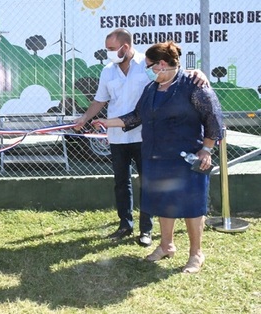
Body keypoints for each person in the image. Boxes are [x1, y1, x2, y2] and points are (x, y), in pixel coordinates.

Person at [93, 41, 223, 274]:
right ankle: (166, 245)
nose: (148, 70)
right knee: (163, 202)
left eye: (150, 66)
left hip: (186, 159)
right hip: (155, 157)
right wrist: (106, 122)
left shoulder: (194, 85)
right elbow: (135, 116)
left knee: (192, 206)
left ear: (162, 65)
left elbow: (213, 119)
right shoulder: (152, 89)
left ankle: (196, 254)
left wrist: (207, 149)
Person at [74, 28, 208, 247]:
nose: (108, 53)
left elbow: (171, 73)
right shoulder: (107, 71)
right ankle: (125, 225)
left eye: (111, 49)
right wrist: (85, 118)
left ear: (125, 47)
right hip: (117, 135)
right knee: (121, 183)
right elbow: (99, 100)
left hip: (147, 136)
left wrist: (197, 72)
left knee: (149, 182)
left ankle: (146, 230)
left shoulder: (147, 66)